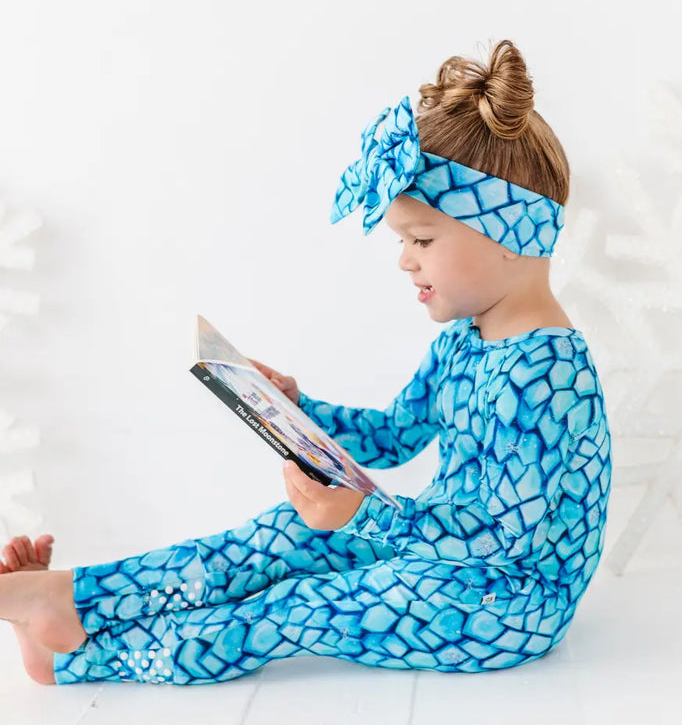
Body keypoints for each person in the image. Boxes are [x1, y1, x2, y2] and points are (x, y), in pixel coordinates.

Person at [0, 38, 612, 685]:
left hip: (510, 604)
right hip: (444, 558)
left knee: (296, 608)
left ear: (510, 236)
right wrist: (296, 411)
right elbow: (395, 433)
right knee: (286, 534)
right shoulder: (468, 339)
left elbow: (499, 545)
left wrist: (363, 517)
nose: (405, 259)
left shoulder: (548, 376)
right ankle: (70, 600)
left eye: (422, 239)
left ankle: (76, 655)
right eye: (403, 241)